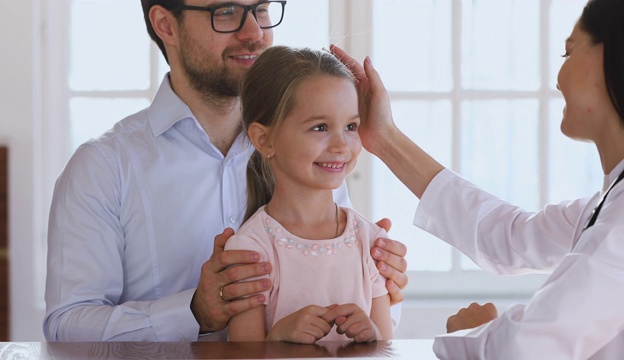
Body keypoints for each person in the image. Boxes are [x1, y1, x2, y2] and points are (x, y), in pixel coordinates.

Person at [43, 0, 408, 342]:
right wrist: (193, 311)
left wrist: (383, 288)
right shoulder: (103, 167)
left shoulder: (314, 156)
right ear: (166, 24)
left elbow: (367, 324)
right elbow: (66, 327)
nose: (255, 33)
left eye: (261, 9)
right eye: (227, 11)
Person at [331, 0, 624, 357]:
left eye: (568, 52)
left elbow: (520, 349)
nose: (557, 78)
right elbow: (509, 236)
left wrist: (477, 331)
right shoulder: (608, 206)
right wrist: (384, 138)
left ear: (611, 58)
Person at [224, 46, 393, 343]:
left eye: (351, 126)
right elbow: (243, 354)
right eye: (320, 127)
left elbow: (386, 347)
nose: (342, 145)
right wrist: (278, 338)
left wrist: (373, 336)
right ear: (264, 139)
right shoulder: (250, 249)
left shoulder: (371, 241)